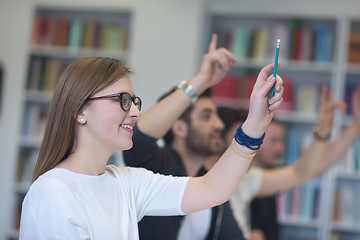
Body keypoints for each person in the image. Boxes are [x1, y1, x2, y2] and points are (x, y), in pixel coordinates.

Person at [18, 32, 284, 239]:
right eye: (122, 100)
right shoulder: (53, 192)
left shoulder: (126, 183)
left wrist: (255, 122)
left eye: (134, 101)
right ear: (79, 111)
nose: (134, 111)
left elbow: (212, 189)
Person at [206, 85, 360, 240]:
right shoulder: (211, 185)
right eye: (273, 140)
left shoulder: (248, 179)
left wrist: (338, 130)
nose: (281, 148)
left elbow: (307, 170)